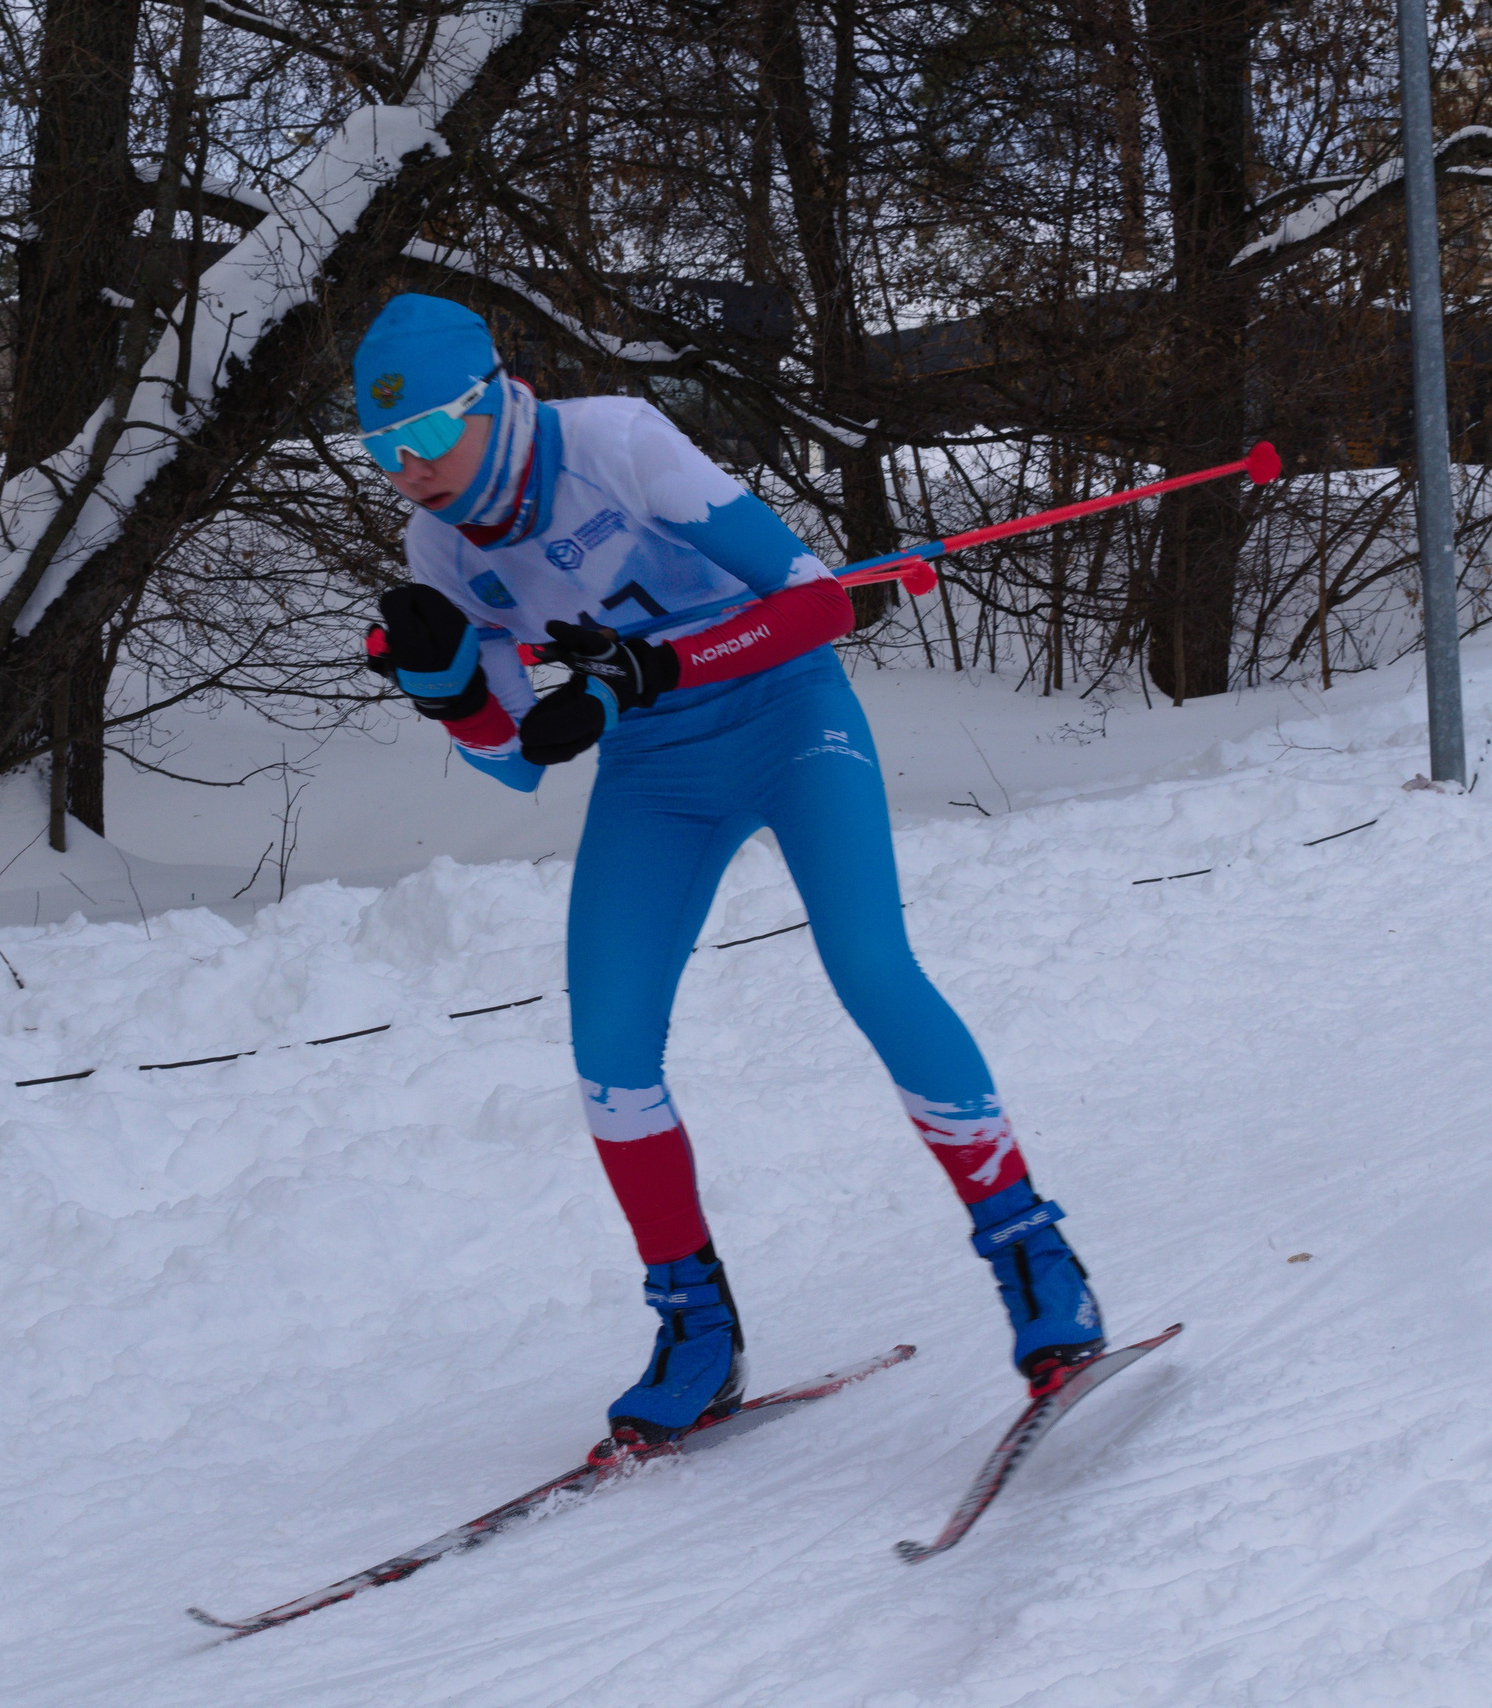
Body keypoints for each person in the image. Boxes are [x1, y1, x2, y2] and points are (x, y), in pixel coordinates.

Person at [354, 294, 1103, 1456]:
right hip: (657, 770)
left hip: (786, 716)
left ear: (490, 398)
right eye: (380, 450)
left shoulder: (614, 442)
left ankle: (1033, 1259)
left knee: (870, 965)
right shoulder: (440, 548)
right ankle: (695, 1331)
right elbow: (514, 761)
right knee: (609, 1053)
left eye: (425, 434)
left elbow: (817, 602)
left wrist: (646, 670)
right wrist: (449, 693)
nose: (407, 469)